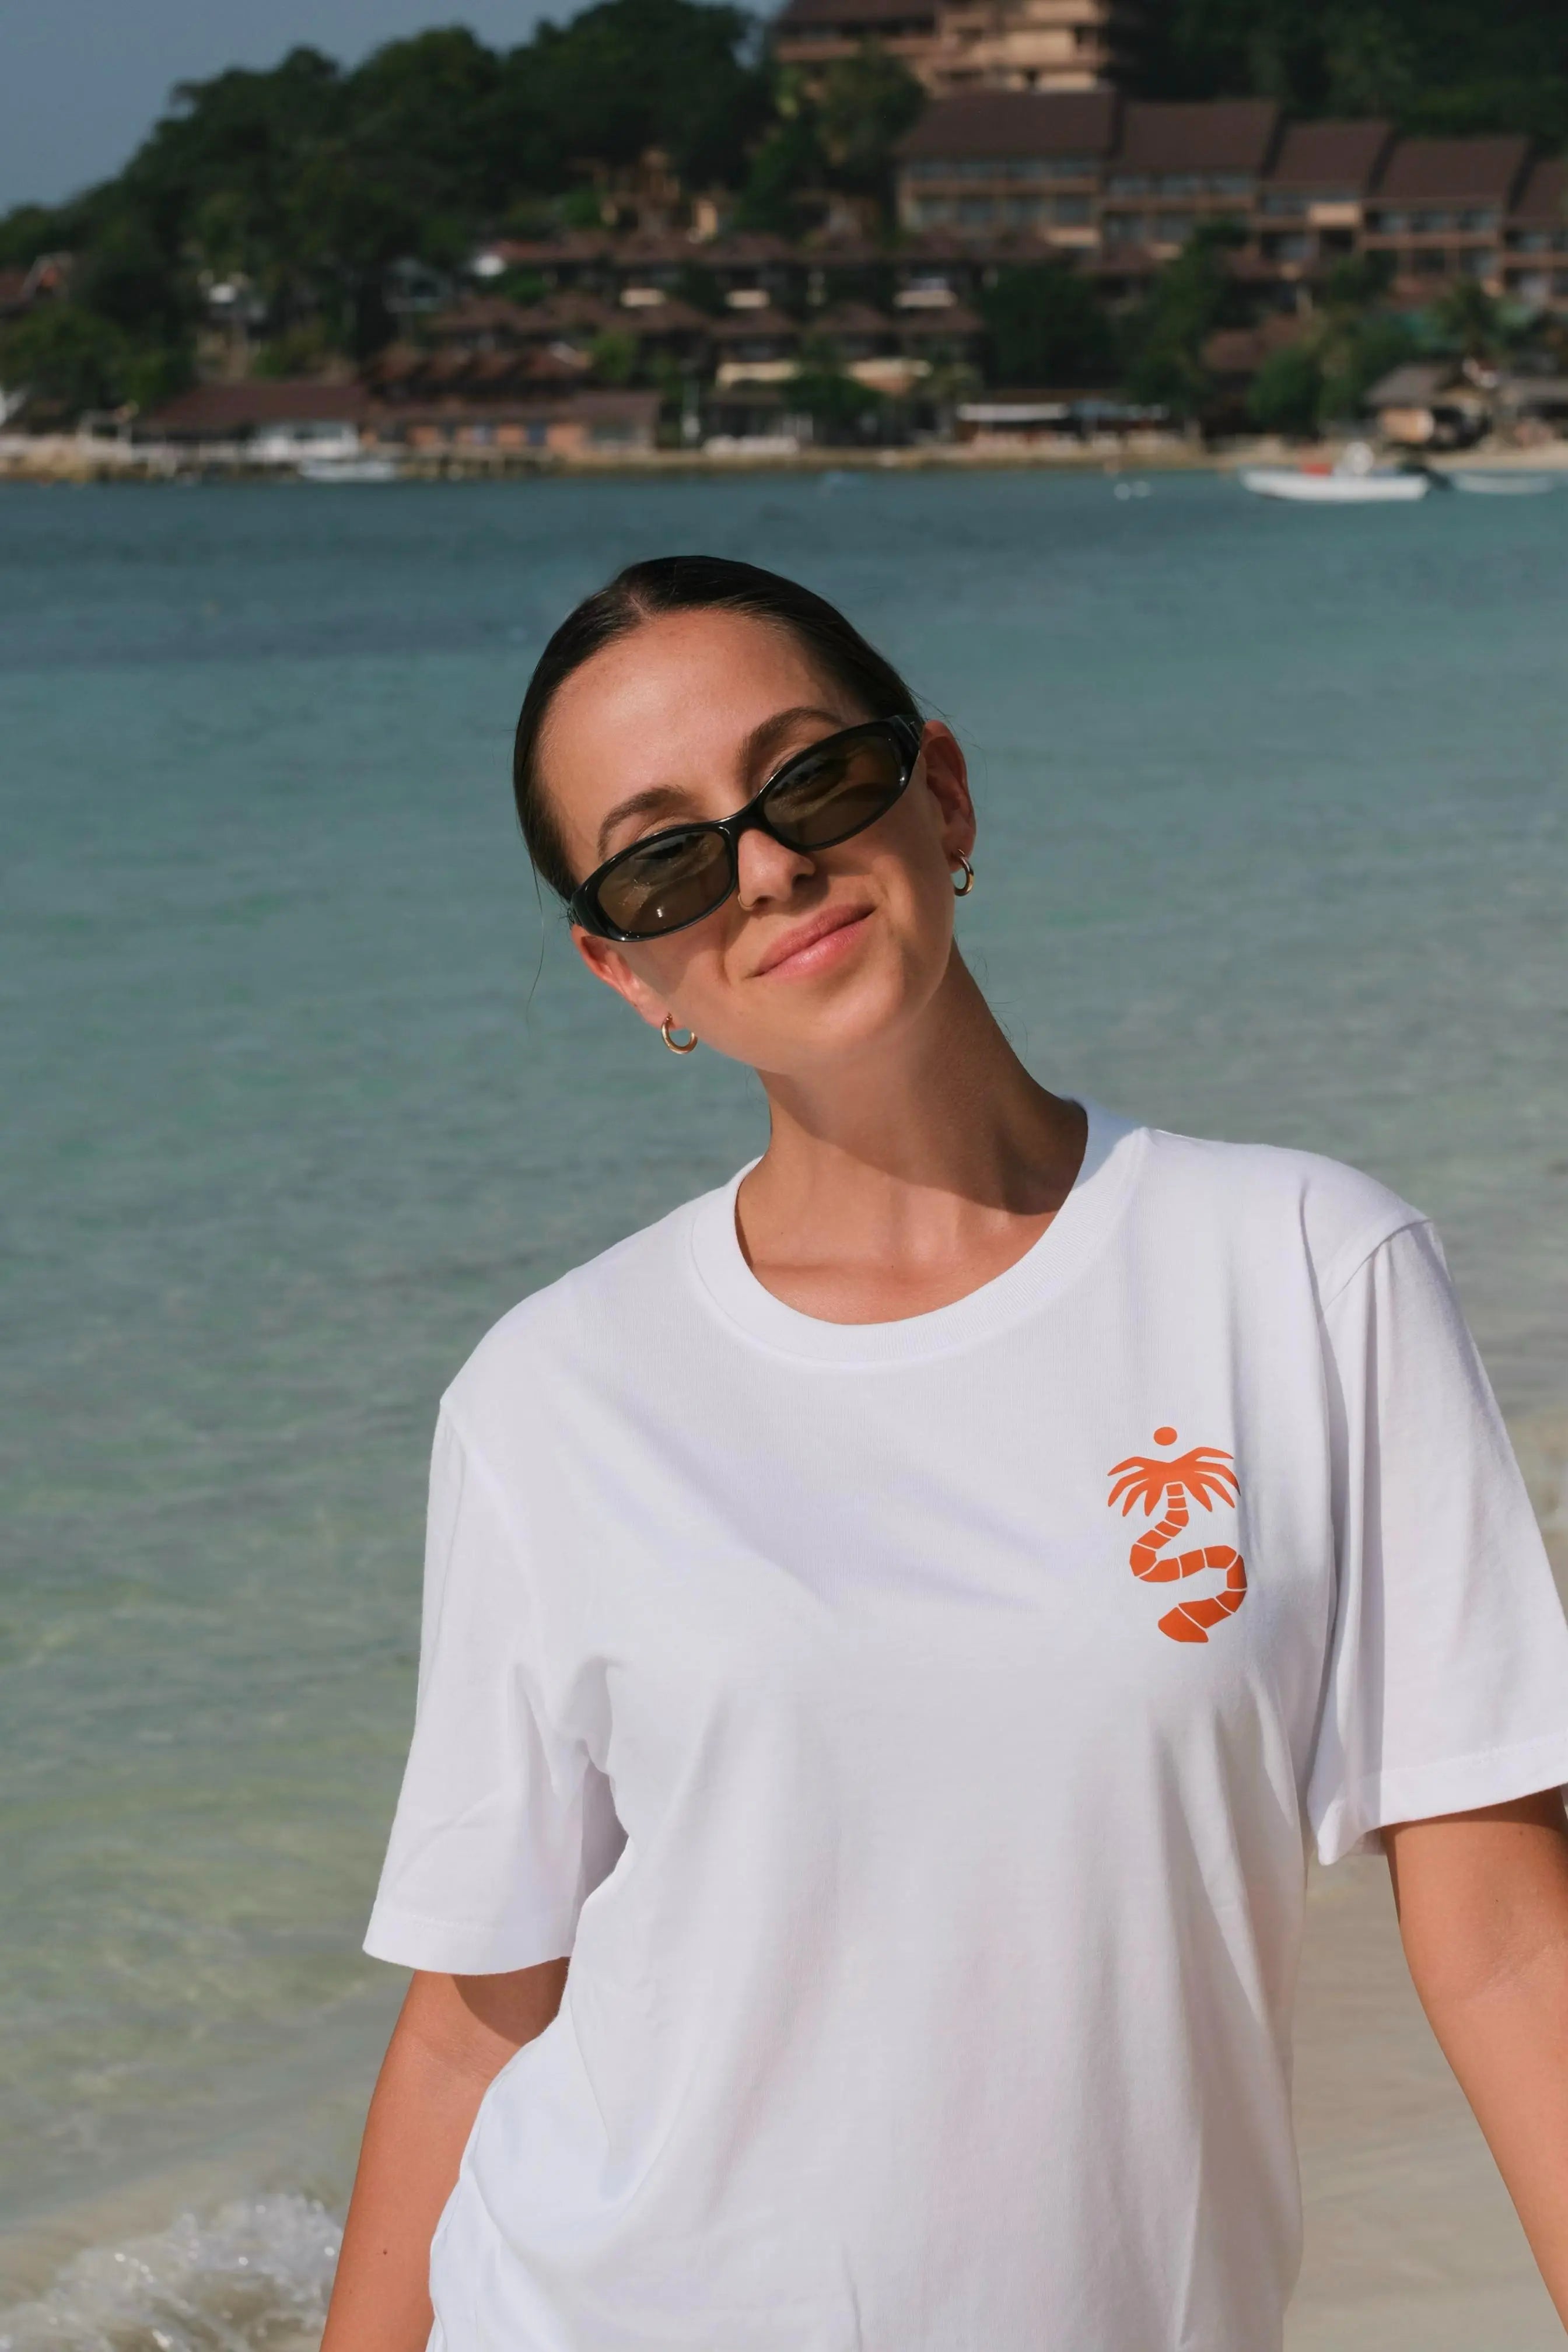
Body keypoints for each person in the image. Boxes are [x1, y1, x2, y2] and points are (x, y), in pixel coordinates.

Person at [321, 556, 1568, 2352]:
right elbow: (480, 2012)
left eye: (811, 777)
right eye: (663, 857)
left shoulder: (1304, 1271)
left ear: (944, 790)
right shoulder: (547, 1398)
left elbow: (1509, 1941)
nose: (763, 868)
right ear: (626, 970)